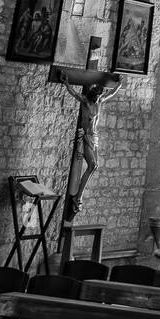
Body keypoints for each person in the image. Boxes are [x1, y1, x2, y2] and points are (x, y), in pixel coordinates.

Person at [59, 72, 121, 220]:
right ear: (94, 95)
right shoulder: (86, 102)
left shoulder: (99, 102)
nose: (101, 98)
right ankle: (78, 197)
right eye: (99, 96)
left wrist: (119, 84)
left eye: (101, 96)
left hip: (95, 137)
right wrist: (66, 82)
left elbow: (111, 93)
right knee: (92, 165)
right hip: (86, 136)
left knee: (96, 166)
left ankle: (79, 197)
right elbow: (74, 93)